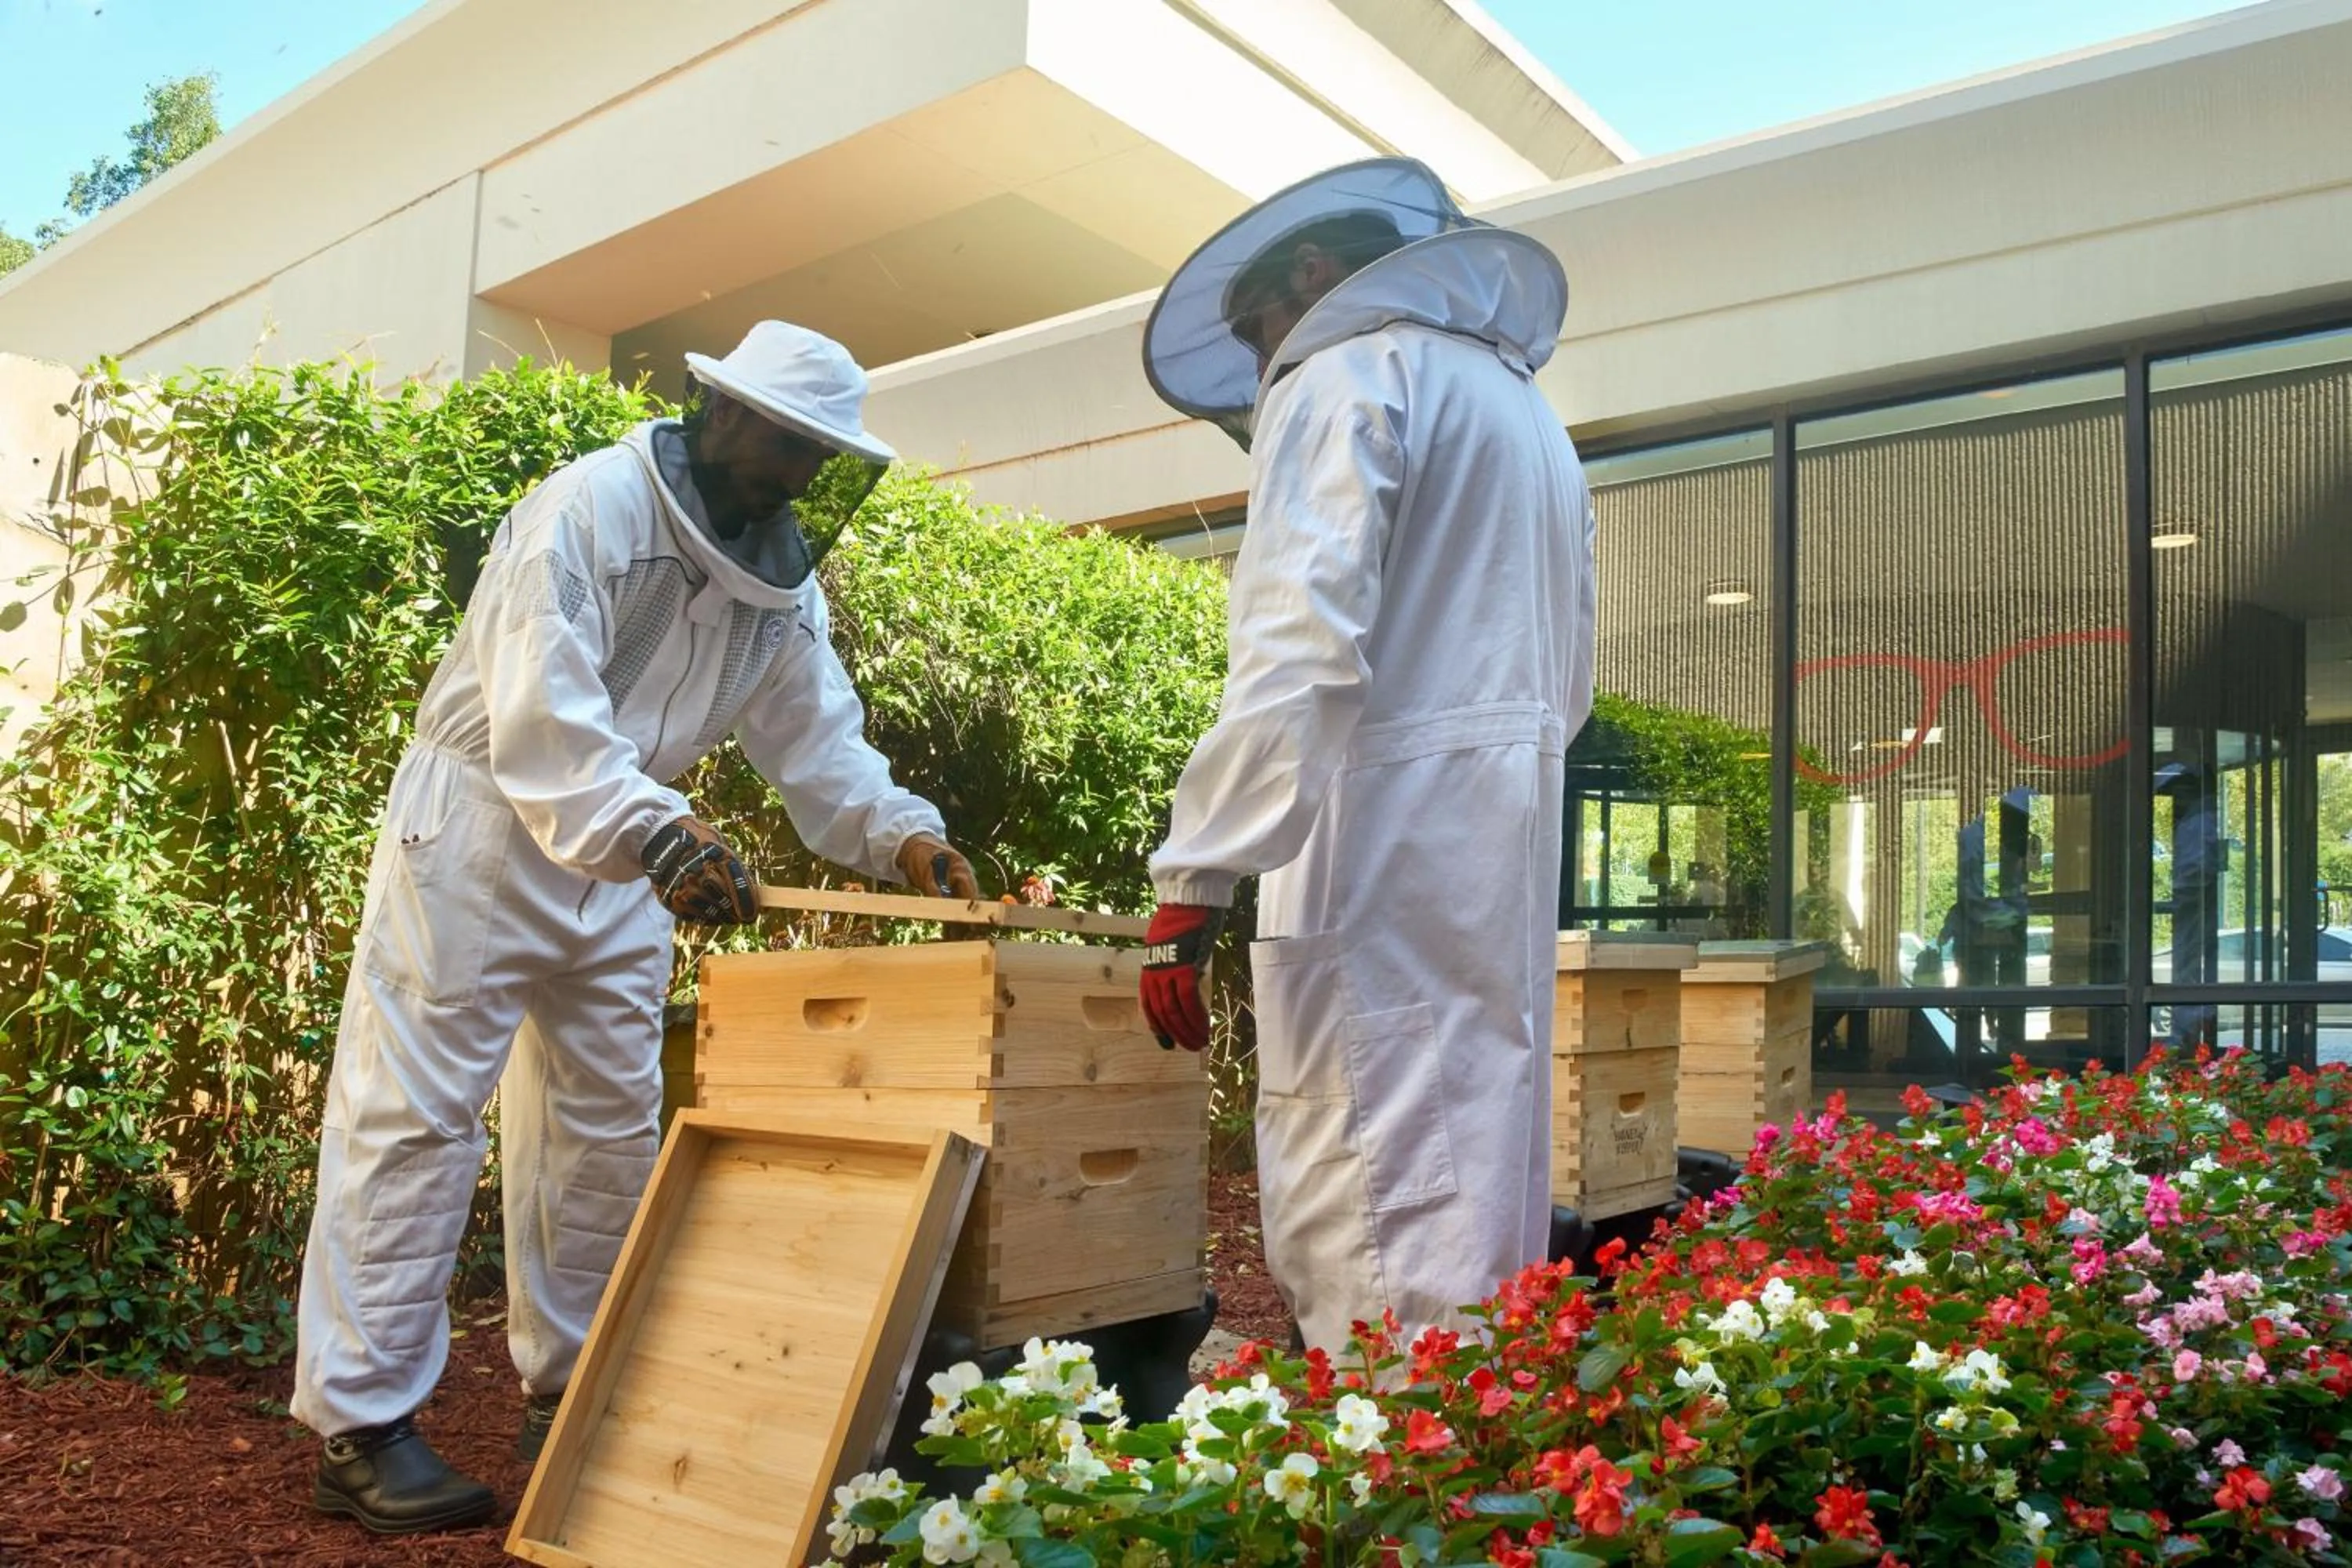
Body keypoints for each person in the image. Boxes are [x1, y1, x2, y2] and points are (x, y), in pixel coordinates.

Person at [292, 320, 978, 1534]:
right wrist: (654, 833)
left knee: (605, 1130)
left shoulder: (779, 575)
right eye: (786, 443)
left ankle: (573, 1388)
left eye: (819, 456)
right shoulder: (588, 511)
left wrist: (897, 833)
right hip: (486, 828)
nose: (798, 474)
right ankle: (363, 1426)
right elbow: (542, 716)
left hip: (630, 862)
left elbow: (816, 737)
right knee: (416, 1117)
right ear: (723, 413)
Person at [1132, 159, 1595, 1352]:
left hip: (1378, 815)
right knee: (1479, 1126)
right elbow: (1569, 670)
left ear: (1313, 273)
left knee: (1363, 1137)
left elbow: (1298, 641)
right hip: (1503, 817)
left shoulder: (1347, 374)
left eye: (1259, 331)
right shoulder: (1523, 410)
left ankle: (1385, 1462)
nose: (1262, 362)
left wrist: (1196, 877)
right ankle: (1478, 1431)